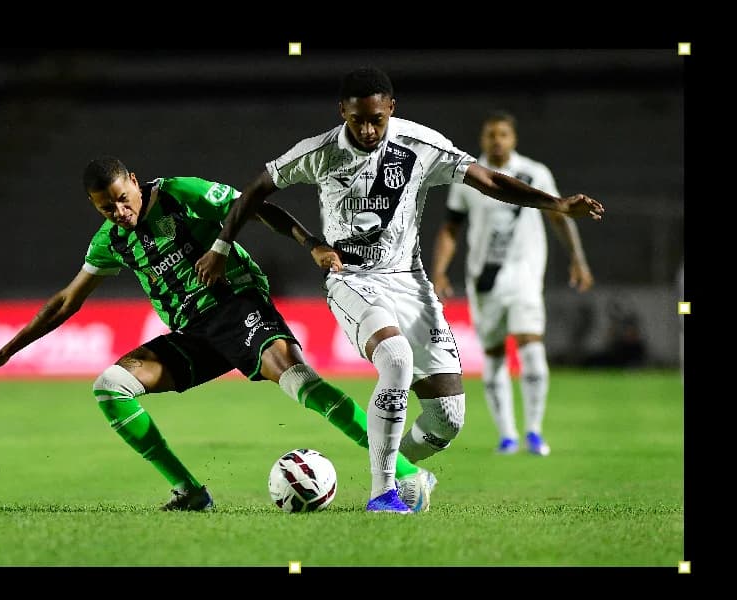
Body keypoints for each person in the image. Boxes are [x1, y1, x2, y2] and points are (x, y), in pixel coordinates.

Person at [194, 67, 604, 513]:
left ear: (391, 107)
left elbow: (486, 179)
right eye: (357, 120)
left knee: (447, 420)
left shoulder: (420, 145)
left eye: (376, 119)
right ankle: (382, 493)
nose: (368, 129)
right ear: (343, 113)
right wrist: (227, 245)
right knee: (396, 358)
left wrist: (556, 204)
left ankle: (399, 469)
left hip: (410, 283)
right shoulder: (319, 152)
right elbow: (255, 191)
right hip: (353, 280)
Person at [0, 156, 437, 513]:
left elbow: (253, 206)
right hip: (193, 335)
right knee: (110, 387)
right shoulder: (111, 242)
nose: (119, 212)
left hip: (236, 306)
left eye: (122, 199)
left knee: (300, 384)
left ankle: (411, 476)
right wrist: (5, 353)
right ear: (94, 205)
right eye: (106, 208)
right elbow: (68, 300)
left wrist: (309, 243)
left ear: (133, 181)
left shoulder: (178, 193)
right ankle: (189, 492)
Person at [430, 111, 595, 456]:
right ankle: (507, 435)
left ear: (513, 139)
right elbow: (451, 227)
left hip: (524, 274)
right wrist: (441, 269)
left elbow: (559, 215)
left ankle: (534, 431)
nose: (497, 141)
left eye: (503, 134)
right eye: (491, 135)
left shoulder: (535, 173)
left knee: (530, 344)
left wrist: (577, 258)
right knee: (493, 354)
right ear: (482, 139)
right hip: (483, 278)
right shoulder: (469, 176)